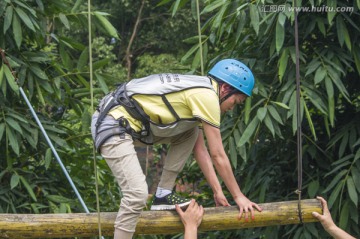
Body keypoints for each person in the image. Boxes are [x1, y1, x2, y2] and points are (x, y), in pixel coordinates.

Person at [91, 59, 262, 239]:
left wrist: (218, 191)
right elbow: (217, 154)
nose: (231, 108)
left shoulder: (200, 90)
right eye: (235, 102)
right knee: (137, 194)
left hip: (133, 126)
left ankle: (163, 194)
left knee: (191, 132)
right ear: (225, 89)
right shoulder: (207, 95)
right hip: (112, 123)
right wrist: (238, 196)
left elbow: (201, 151)